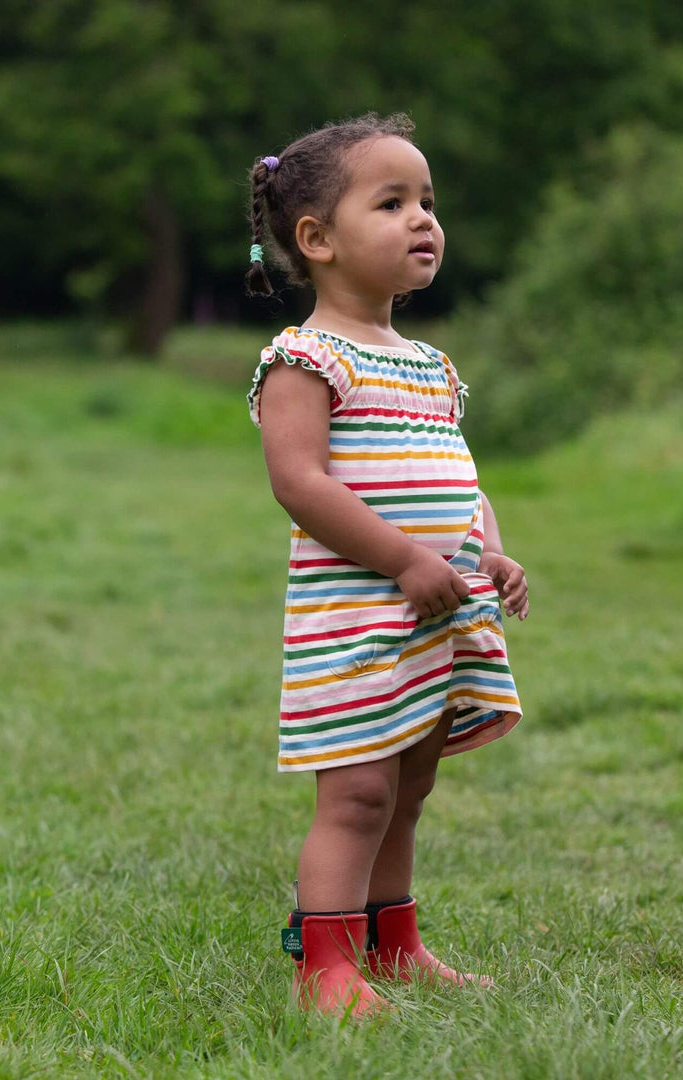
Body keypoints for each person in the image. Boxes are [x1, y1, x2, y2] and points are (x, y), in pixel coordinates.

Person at [244, 113, 528, 1018]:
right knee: (359, 793)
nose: (423, 221)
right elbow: (299, 483)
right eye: (393, 201)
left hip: (440, 611)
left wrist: (489, 545)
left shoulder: (432, 366)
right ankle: (324, 966)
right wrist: (405, 559)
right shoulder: (307, 358)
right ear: (317, 240)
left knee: (409, 785)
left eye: (429, 202)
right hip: (358, 615)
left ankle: (394, 945)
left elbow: (454, 474)